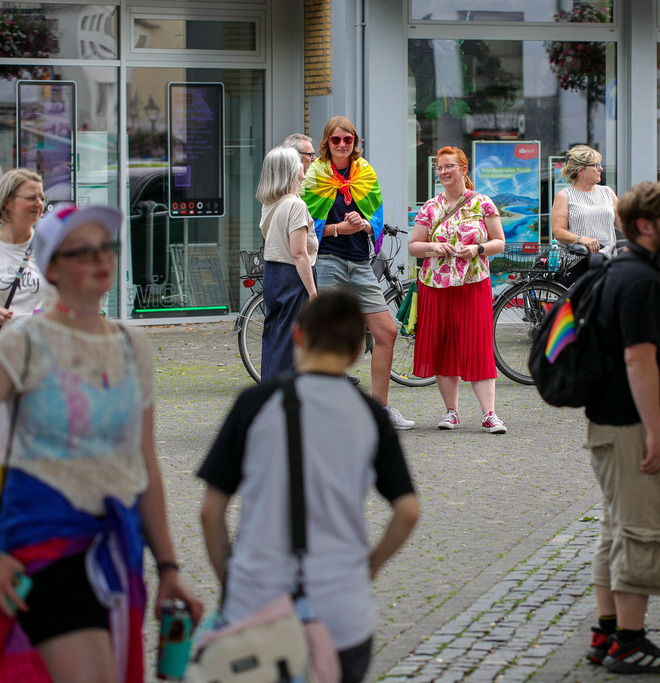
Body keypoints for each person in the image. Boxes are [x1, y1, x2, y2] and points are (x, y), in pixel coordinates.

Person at [0, 203, 202, 681]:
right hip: (43, 543)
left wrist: (169, 567)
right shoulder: (23, 344)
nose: (100, 258)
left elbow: (144, 459)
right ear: (51, 268)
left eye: (106, 247)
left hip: (118, 549)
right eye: (81, 251)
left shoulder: (132, 346)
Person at [199, 289, 420, 683]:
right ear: (358, 350)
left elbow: (210, 513)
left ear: (298, 335)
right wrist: (369, 567)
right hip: (342, 612)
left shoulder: (254, 403)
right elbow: (408, 510)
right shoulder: (370, 414)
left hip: (256, 604)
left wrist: (234, 585)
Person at [582, 180, 660, 674]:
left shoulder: (620, 270)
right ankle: (629, 643)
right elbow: (639, 359)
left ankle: (608, 634)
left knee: (616, 531)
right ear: (648, 226)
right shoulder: (641, 281)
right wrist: (656, 431)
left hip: (614, 427)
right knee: (644, 534)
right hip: (634, 430)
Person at [302, 115, 414, 430]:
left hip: (361, 263)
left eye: (347, 139)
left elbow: (373, 220)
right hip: (327, 260)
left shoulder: (365, 172)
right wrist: (338, 228)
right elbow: (305, 227)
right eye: (336, 139)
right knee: (325, 337)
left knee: (387, 332)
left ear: (355, 142)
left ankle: (380, 410)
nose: (342, 145)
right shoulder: (315, 174)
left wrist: (363, 224)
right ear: (327, 142)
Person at [408, 146, 507, 433]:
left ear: (463, 169)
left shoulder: (483, 203)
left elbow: (499, 242)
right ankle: (451, 411)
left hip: (473, 283)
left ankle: (489, 414)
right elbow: (414, 246)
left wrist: (478, 249)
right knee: (443, 346)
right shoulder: (430, 207)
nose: (443, 172)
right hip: (435, 285)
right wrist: (433, 246)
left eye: (448, 166)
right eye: (439, 168)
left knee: (478, 344)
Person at [257, 145, 318, 382]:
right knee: (292, 343)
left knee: (274, 336)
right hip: (294, 275)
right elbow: (299, 253)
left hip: (273, 273)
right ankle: (286, 394)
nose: (304, 165)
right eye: (298, 162)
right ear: (289, 170)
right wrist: (313, 291)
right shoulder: (295, 205)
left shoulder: (271, 203)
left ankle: (269, 389)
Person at [551, 144, 618, 282]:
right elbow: (558, 232)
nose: (601, 169)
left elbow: (626, 224)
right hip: (576, 263)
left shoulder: (608, 192)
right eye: (596, 165)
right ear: (581, 171)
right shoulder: (565, 196)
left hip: (606, 262)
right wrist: (582, 239)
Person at [0, 169, 55, 327]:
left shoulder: (51, 247)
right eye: (31, 197)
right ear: (7, 202)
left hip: (40, 340)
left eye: (42, 198)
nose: (39, 204)